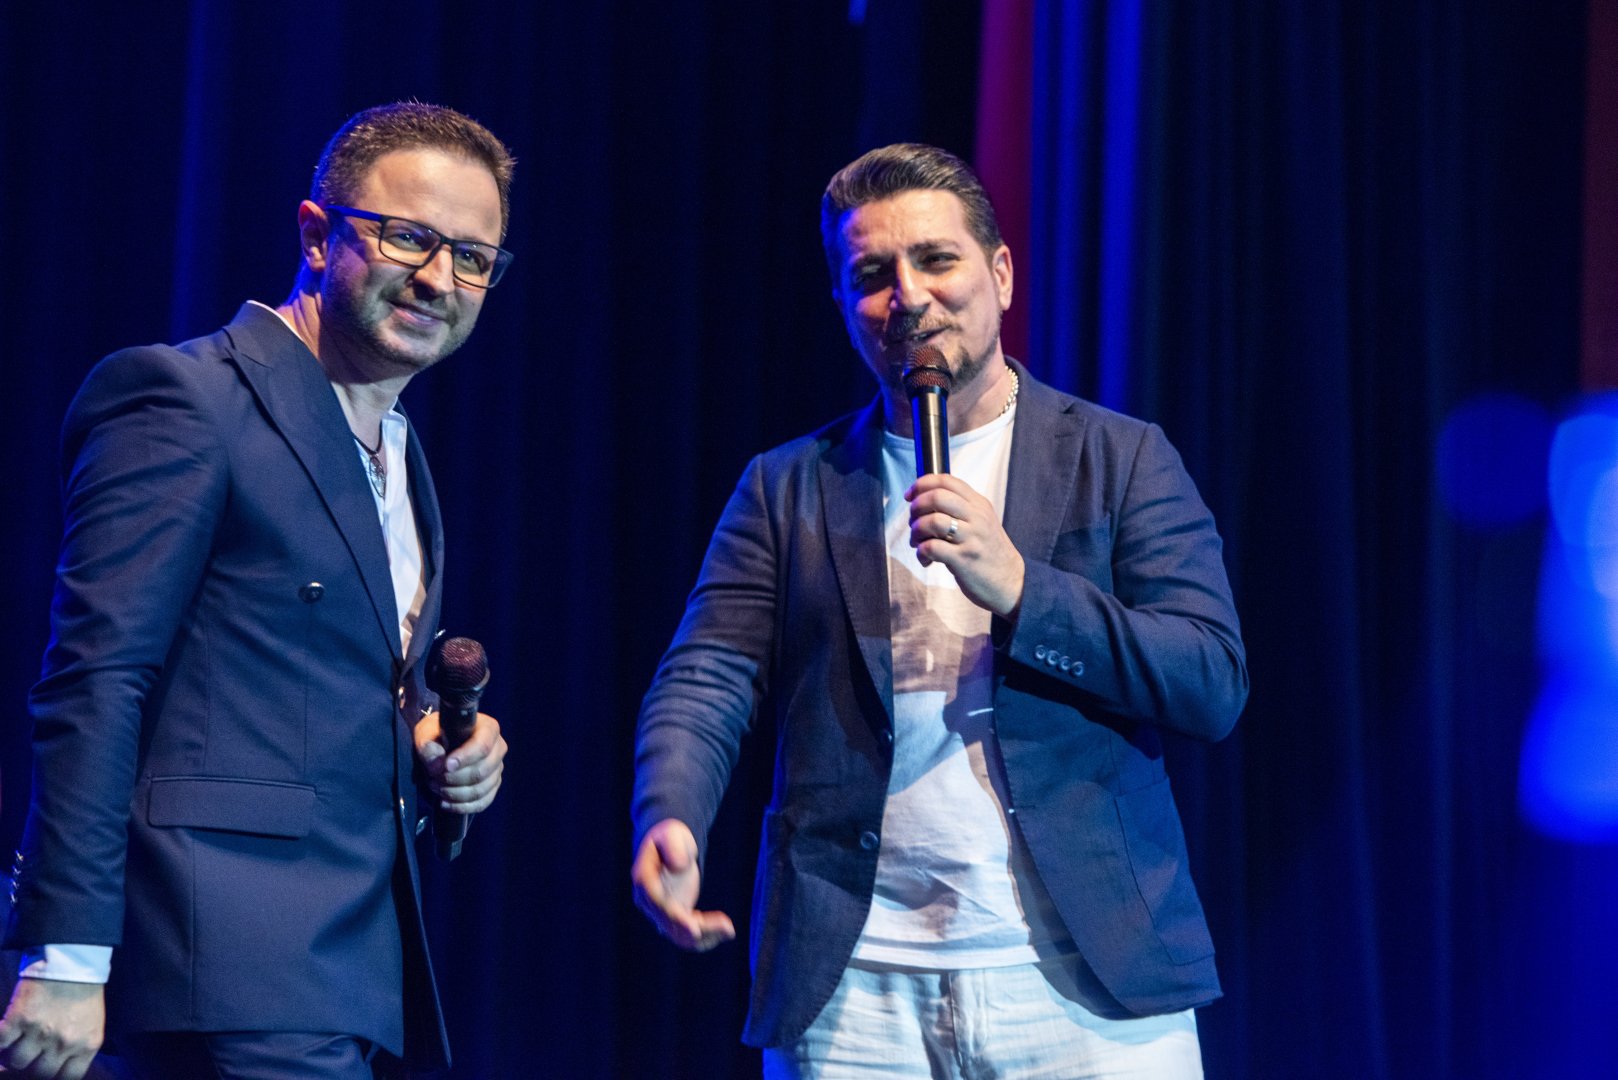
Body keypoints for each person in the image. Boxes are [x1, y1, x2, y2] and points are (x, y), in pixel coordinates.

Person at [631, 143, 1247, 1077]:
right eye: (872, 275)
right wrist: (671, 811)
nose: (908, 296)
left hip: (1085, 982)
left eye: (936, 260)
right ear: (843, 304)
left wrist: (1024, 590)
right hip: (853, 992)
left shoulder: (1120, 459)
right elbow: (707, 674)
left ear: (1000, 275)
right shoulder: (788, 487)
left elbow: (1209, 679)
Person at [0, 102, 513, 1080]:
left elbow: (302, 688)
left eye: (473, 257)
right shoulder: (185, 400)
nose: (439, 278)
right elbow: (95, 680)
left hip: (343, 969)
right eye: (408, 238)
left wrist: (435, 749)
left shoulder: (402, 454)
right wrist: (66, 954)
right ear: (317, 236)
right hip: (219, 960)